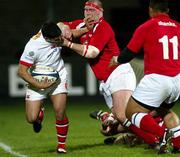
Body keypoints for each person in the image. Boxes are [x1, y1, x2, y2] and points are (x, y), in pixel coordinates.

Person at [110, 0, 180, 154]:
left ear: (150, 10)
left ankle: (162, 135)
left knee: (131, 112)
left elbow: (129, 53)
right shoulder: (178, 26)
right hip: (177, 80)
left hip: (158, 78)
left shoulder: (147, 26)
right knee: (163, 112)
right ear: (167, 10)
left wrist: (117, 60)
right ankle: (178, 143)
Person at [62, 0, 137, 134]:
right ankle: (109, 118)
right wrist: (65, 29)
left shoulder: (103, 27)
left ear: (100, 12)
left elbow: (92, 52)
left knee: (123, 116)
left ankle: (155, 133)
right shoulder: (81, 24)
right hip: (106, 80)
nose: (88, 13)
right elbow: (59, 25)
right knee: (110, 130)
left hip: (118, 73)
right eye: (86, 10)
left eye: (92, 10)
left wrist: (68, 43)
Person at [17, 21, 89, 153]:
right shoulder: (33, 47)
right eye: (56, 39)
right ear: (47, 38)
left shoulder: (57, 33)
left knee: (60, 111)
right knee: (31, 118)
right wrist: (38, 84)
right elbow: (21, 71)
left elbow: (72, 33)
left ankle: (61, 146)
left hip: (58, 76)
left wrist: (87, 29)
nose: (59, 40)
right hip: (38, 80)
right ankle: (39, 115)